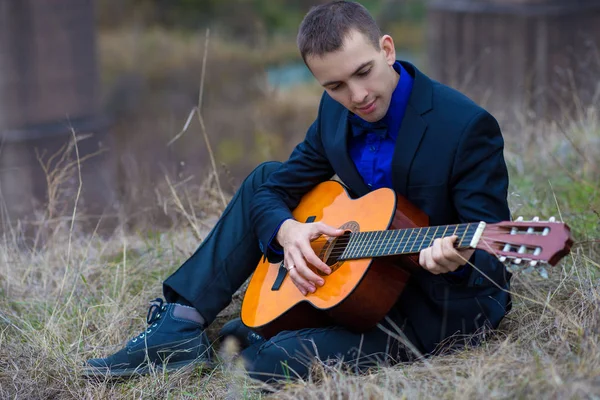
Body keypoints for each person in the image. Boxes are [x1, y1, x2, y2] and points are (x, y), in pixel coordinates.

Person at [84, 1, 511, 382]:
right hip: (364, 277)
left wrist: (455, 262)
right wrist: (288, 232)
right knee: (263, 176)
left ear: (386, 49)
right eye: (335, 86)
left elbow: (492, 255)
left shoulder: (466, 127)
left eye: (363, 72)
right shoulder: (335, 112)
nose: (357, 96)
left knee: (251, 361)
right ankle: (178, 324)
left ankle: (261, 330)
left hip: (433, 305)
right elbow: (271, 190)